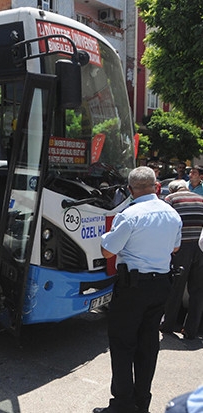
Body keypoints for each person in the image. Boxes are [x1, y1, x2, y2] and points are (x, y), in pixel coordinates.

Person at [94, 166, 182, 413]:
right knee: (148, 344)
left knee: (123, 345)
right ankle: (141, 403)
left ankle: (122, 405)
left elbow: (107, 250)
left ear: (130, 190)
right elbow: (175, 249)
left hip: (133, 287)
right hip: (161, 284)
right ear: (156, 187)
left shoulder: (129, 215)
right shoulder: (172, 214)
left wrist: (106, 237)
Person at [162, 180, 203, 338]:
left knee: (175, 288)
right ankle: (191, 330)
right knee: (198, 291)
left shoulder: (170, 200)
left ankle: (168, 325)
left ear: (172, 189)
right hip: (200, 248)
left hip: (181, 248)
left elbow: (166, 225)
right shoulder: (201, 199)